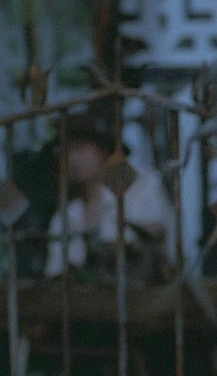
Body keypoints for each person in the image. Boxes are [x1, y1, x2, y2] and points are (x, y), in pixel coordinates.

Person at [44, 111, 175, 286]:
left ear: (103, 151)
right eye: (64, 152)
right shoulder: (66, 216)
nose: (72, 158)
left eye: (80, 148)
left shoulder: (140, 187)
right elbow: (57, 273)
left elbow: (153, 242)